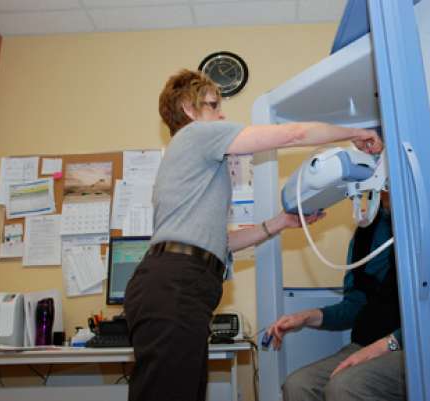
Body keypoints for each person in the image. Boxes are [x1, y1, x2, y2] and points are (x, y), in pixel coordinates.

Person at [123, 69, 383, 401]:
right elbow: (293, 134)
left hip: (173, 283)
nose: (222, 114)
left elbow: (216, 242)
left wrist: (278, 223)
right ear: (189, 109)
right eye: (213, 104)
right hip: (176, 285)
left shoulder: (186, 159)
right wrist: (354, 133)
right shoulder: (197, 135)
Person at [267, 191, 405, 401]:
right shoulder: (365, 235)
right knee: (298, 386)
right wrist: (307, 317)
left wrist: (387, 344)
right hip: (364, 344)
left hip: (407, 347)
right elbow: (354, 306)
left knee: (344, 387)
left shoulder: (421, 225)